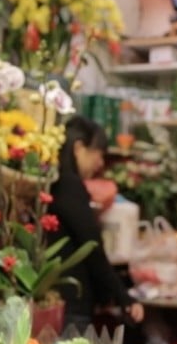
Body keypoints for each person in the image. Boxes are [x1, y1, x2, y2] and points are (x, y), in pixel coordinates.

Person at [48, 117, 143, 332]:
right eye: (98, 153)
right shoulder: (68, 185)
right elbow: (92, 248)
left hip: (60, 302)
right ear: (79, 148)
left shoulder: (54, 184)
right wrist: (124, 298)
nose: (100, 163)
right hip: (71, 306)